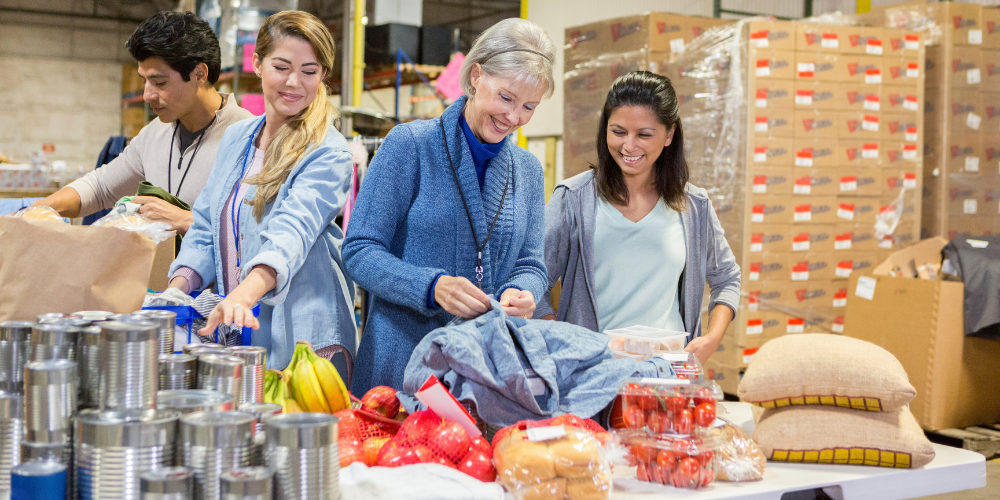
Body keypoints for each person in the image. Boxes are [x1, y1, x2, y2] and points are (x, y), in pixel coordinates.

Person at [343, 18, 555, 393]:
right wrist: (431, 286)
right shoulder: (410, 146)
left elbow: (531, 264)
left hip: (484, 375)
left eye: (529, 107)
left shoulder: (528, 171)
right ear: (476, 76)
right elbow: (359, 251)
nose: (514, 117)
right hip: (401, 367)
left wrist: (523, 292)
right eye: (505, 98)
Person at [166, 11, 355, 370]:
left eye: (309, 71)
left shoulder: (328, 151)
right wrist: (177, 290)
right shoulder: (238, 138)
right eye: (281, 67)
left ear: (323, 76)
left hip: (305, 337)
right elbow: (207, 223)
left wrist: (243, 294)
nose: (294, 82)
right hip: (243, 321)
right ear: (257, 63)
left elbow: (291, 233)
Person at [537, 71, 740, 364]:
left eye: (644, 134)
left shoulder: (693, 206)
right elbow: (531, 279)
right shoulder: (573, 198)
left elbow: (728, 277)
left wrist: (711, 338)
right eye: (618, 132)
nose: (629, 146)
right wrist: (558, 337)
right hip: (590, 374)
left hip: (667, 374)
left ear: (669, 134)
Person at [32, 12, 253, 233]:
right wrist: (36, 210)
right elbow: (101, 187)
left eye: (159, 82)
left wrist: (188, 220)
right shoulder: (154, 134)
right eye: (144, 81)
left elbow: (258, 229)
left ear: (199, 74)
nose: (147, 95)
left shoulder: (251, 139)